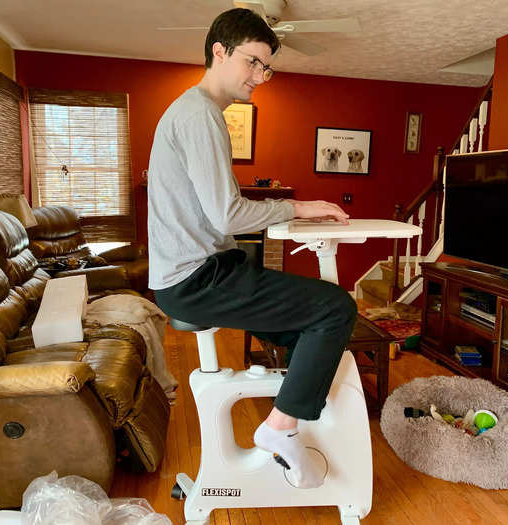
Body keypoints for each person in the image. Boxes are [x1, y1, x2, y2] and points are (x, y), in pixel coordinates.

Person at [147, 8, 358, 489]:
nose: (260, 77)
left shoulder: (195, 111)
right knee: (336, 309)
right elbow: (228, 215)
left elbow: (218, 211)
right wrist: (298, 206)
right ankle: (280, 429)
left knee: (311, 328)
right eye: (253, 62)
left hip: (192, 274)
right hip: (196, 279)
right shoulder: (199, 114)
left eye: (267, 67)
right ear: (219, 51)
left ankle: (292, 416)